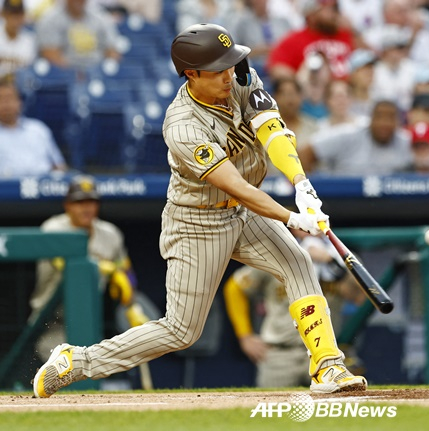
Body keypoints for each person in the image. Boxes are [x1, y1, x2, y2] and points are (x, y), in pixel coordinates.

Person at [33, 23, 367, 398]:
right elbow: (235, 185)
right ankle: (76, 362)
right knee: (181, 330)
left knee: (298, 264)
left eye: (230, 63)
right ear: (191, 73)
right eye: (217, 68)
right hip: (198, 221)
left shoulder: (240, 77)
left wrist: (301, 184)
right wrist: (292, 217)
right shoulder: (182, 125)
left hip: (244, 210)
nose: (230, 73)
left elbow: (273, 131)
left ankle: (327, 365)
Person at [223, 229, 364, 388]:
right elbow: (235, 287)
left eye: (314, 225)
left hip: (329, 354)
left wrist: (331, 263)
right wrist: (245, 336)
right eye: (304, 227)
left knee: (334, 408)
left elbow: (360, 298)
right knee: (274, 410)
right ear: (294, 229)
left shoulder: (340, 256)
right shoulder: (277, 255)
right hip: (281, 354)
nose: (310, 232)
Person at [29, 175, 145, 362]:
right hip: (50, 323)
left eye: (91, 202)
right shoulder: (53, 229)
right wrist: (100, 267)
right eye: (79, 202)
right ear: (67, 205)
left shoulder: (111, 234)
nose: (86, 208)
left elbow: (127, 272)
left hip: (88, 321)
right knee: (62, 370)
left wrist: (132, 303)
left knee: (90, 377)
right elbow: (63, 264)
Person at [298, 99, 412, 175]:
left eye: (390, 118)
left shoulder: (406, 142)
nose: (384, 123)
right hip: (342, 203)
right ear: (371, 119)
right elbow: (305, 153)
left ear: (398, 122)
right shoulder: (349, 135)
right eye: (379, 117)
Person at [266, 0, 355, 81]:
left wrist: (354, 30)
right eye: (327, 9)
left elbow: (365, 57)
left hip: (351, 91)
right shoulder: (295, 39)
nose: (334, 13)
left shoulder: (345, 35)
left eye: (335, 8)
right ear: (311, 14)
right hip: (317, 94)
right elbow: (276, 68)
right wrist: (300, 84)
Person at [0, 78, 67, 177]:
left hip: (43, 186)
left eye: (10, 98)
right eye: (1, 99)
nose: (6, 104)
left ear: (20, 102)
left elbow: (59, 165)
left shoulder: (38, 129)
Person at [35, 0, 121, 70]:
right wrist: (76, 73)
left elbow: (112, 52)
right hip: (64, 78)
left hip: (97, 72)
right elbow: (50, 54)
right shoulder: (50, 20)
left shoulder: (101, 18)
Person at [0, 0, 37, 79]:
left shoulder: (30, 40)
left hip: (21, 87)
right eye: (11, 14)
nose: (15, 20)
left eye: (19, 15)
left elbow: (31, 72)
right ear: (3, 14)